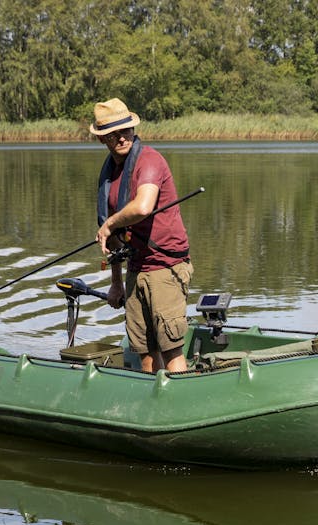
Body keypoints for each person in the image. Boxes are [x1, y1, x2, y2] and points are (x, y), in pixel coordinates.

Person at [91, 98, 193, 373]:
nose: (122, 137)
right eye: (113, 134)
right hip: (136, 270)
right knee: (145, 353)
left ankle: (180, 404)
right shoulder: (110, 175)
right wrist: (115, 283)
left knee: (171, 350)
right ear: (102, 139)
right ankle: (155, 405)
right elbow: (112, 238)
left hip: (165, 267)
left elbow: (143, 207)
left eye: (126, 130)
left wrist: (110, 223)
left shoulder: (149, 160)